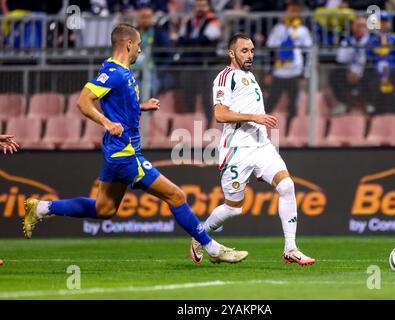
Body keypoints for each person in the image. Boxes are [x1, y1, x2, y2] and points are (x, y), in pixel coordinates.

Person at [22, 24, 248, 265]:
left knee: (104, 209)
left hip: (117, 151)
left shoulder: (123, 72)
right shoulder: (114, 72)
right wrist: (106, 122)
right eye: (138, 45)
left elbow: (117, 103)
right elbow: (83, 101)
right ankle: (212, 248)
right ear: (128, 44)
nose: (140, 50)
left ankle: (41, 208)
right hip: (125, 153)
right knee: (176, 195)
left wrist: (141, 107)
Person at [189, 33, 315, 266]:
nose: (250, 55)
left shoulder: (250, 76)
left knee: (287, 186)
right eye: (244, 50)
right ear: (231, 53)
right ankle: (199, 236)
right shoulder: (225, 77)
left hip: (261, 145)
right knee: (233, 208)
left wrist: (258, 123)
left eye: (252, 50)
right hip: (237, 149)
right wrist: (255, 117)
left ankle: (291, 249)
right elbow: (220, 114)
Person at [265, 1, 313, 130]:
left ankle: (290, 131)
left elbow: (307, 54)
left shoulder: (303, 31)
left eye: (296, 11)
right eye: (291, 10)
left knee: (293, 104)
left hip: (295, 73)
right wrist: (269, 72)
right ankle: (262, 130)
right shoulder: (278, 29)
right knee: (270, 102)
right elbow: (271, 51)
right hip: (279, 72)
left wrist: (304, 74)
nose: (293, 13)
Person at [177, 0, 221, 125]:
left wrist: (189, 41)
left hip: (206, 65)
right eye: (198, 5)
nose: (200, 8)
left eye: (203, 5)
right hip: (190, 64)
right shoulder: (188, 22)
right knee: (188, 94)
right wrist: (193, 42)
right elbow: (180, 40)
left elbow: (206, 39)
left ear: (208, 7)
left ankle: (209, 123)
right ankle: (191, 123)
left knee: (207, 96)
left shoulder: (214, 22)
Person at [366, 12, 395, 115]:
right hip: (376, 74)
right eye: (380, 22)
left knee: (392, 94)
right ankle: (376, 111)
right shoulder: (372, 39)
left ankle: (391, 113)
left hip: (392, 73)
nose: (383, 25)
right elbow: (368, 55)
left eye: (385, 22)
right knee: (376, 92)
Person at [329, 16, 370, 115]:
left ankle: (371, 104)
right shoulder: (347, 42)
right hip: (350, 74)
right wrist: (350, 72)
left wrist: (359, 73)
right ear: (353, 28)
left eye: (363, 26)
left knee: (375, 73)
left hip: (366, 73)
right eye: (357, 26)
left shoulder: (373, 42)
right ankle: (343, 103)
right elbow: (341, 60)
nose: (360, 29)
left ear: (368, 28)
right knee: (335, 74)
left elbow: (372, 60)